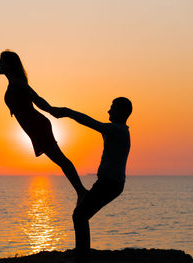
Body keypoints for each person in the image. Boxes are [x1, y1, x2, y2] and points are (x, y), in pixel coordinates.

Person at [50, 97, 132, 263]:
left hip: (110, 184)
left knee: (80, 216)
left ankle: (82, 257)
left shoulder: (118, 130)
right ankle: (82, 255)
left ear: (122, 112)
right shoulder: (117, 130)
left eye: (112, 108)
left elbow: (90, 122)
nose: (108, 111)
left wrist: (68, 112)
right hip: (107, 183)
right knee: (80, 215)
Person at [0, 50, 87, 199]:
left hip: (38, 126)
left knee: (61, 160)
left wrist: (52, 110)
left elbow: (37, 99)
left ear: (9, 65)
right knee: (60, 160)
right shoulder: (14, 83)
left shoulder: (18, 83)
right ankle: (81, 192)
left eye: (1, 62)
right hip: (34, 128)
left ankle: (82, 192)